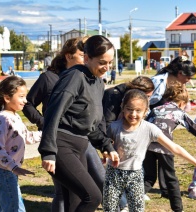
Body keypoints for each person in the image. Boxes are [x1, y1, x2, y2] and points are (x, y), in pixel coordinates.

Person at [23, 37, 106, 212]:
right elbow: (30, 104)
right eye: (81, 54)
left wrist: (105, 143)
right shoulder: (50, 78)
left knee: (82, 191)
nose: (84, 58)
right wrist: (43, 123)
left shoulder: (91, 79)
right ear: (69, 56)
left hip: (83, 138)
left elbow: (95, 114)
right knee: (69, 192)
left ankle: (118, 204)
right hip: (57, 140)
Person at [39, 35, 119, 212]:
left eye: (110, 63)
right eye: (102, 62)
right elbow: (53, 112)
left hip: (80, 145)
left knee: (74, 203)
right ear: (87, 58)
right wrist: (48, 152)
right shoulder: (74, 76)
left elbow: (91, 123)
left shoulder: (98, 82)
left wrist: (106, 145)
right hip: (61, 145)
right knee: (93, 196)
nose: (106, 68)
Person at [103, 89, 196, 211]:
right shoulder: (114, 127)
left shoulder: (150, 129)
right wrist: (106, 154)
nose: (133, 114)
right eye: (129, 109)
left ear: (146, 111)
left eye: (138, 110)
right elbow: (106, 147)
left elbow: (175, 148)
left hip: (135, 175)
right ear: (123, 107)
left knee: (137, 209)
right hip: (113, 173)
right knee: (110, 208)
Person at [143, 82, 196, 211]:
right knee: (171, 179)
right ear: (182, 103)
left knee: (149, 177)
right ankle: (178, 209)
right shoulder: (178, 112)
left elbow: (144, 124)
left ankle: (127, 197)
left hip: (147, 145)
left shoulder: (155, 109)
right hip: (165, 146)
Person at [101, 76, 155, 211]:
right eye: (146, 96)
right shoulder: (113, 96)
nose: (147, 100)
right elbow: (106, 124)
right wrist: (108, 148)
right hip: (109, 145)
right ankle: (123, 203)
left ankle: (126, 201)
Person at [148, 55, 196, 197]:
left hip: (162, 126)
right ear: (180, 74)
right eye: (188, 77)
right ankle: (142, 187)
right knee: (151, 159)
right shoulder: (158, 81)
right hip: (149, 123)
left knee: (166, 155)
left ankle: (166, 190)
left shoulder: (177, 83)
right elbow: (144, 102)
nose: (189, 81)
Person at [0, 76, 41, 211]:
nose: (25, 101)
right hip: (5, 172)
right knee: (15, 209)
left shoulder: (15, 116)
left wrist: (46, 134)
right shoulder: (2, 119)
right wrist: (13, 167)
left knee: (8, 207)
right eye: (21, 96)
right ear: (7, 98)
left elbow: (26, 137)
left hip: (10, 172)